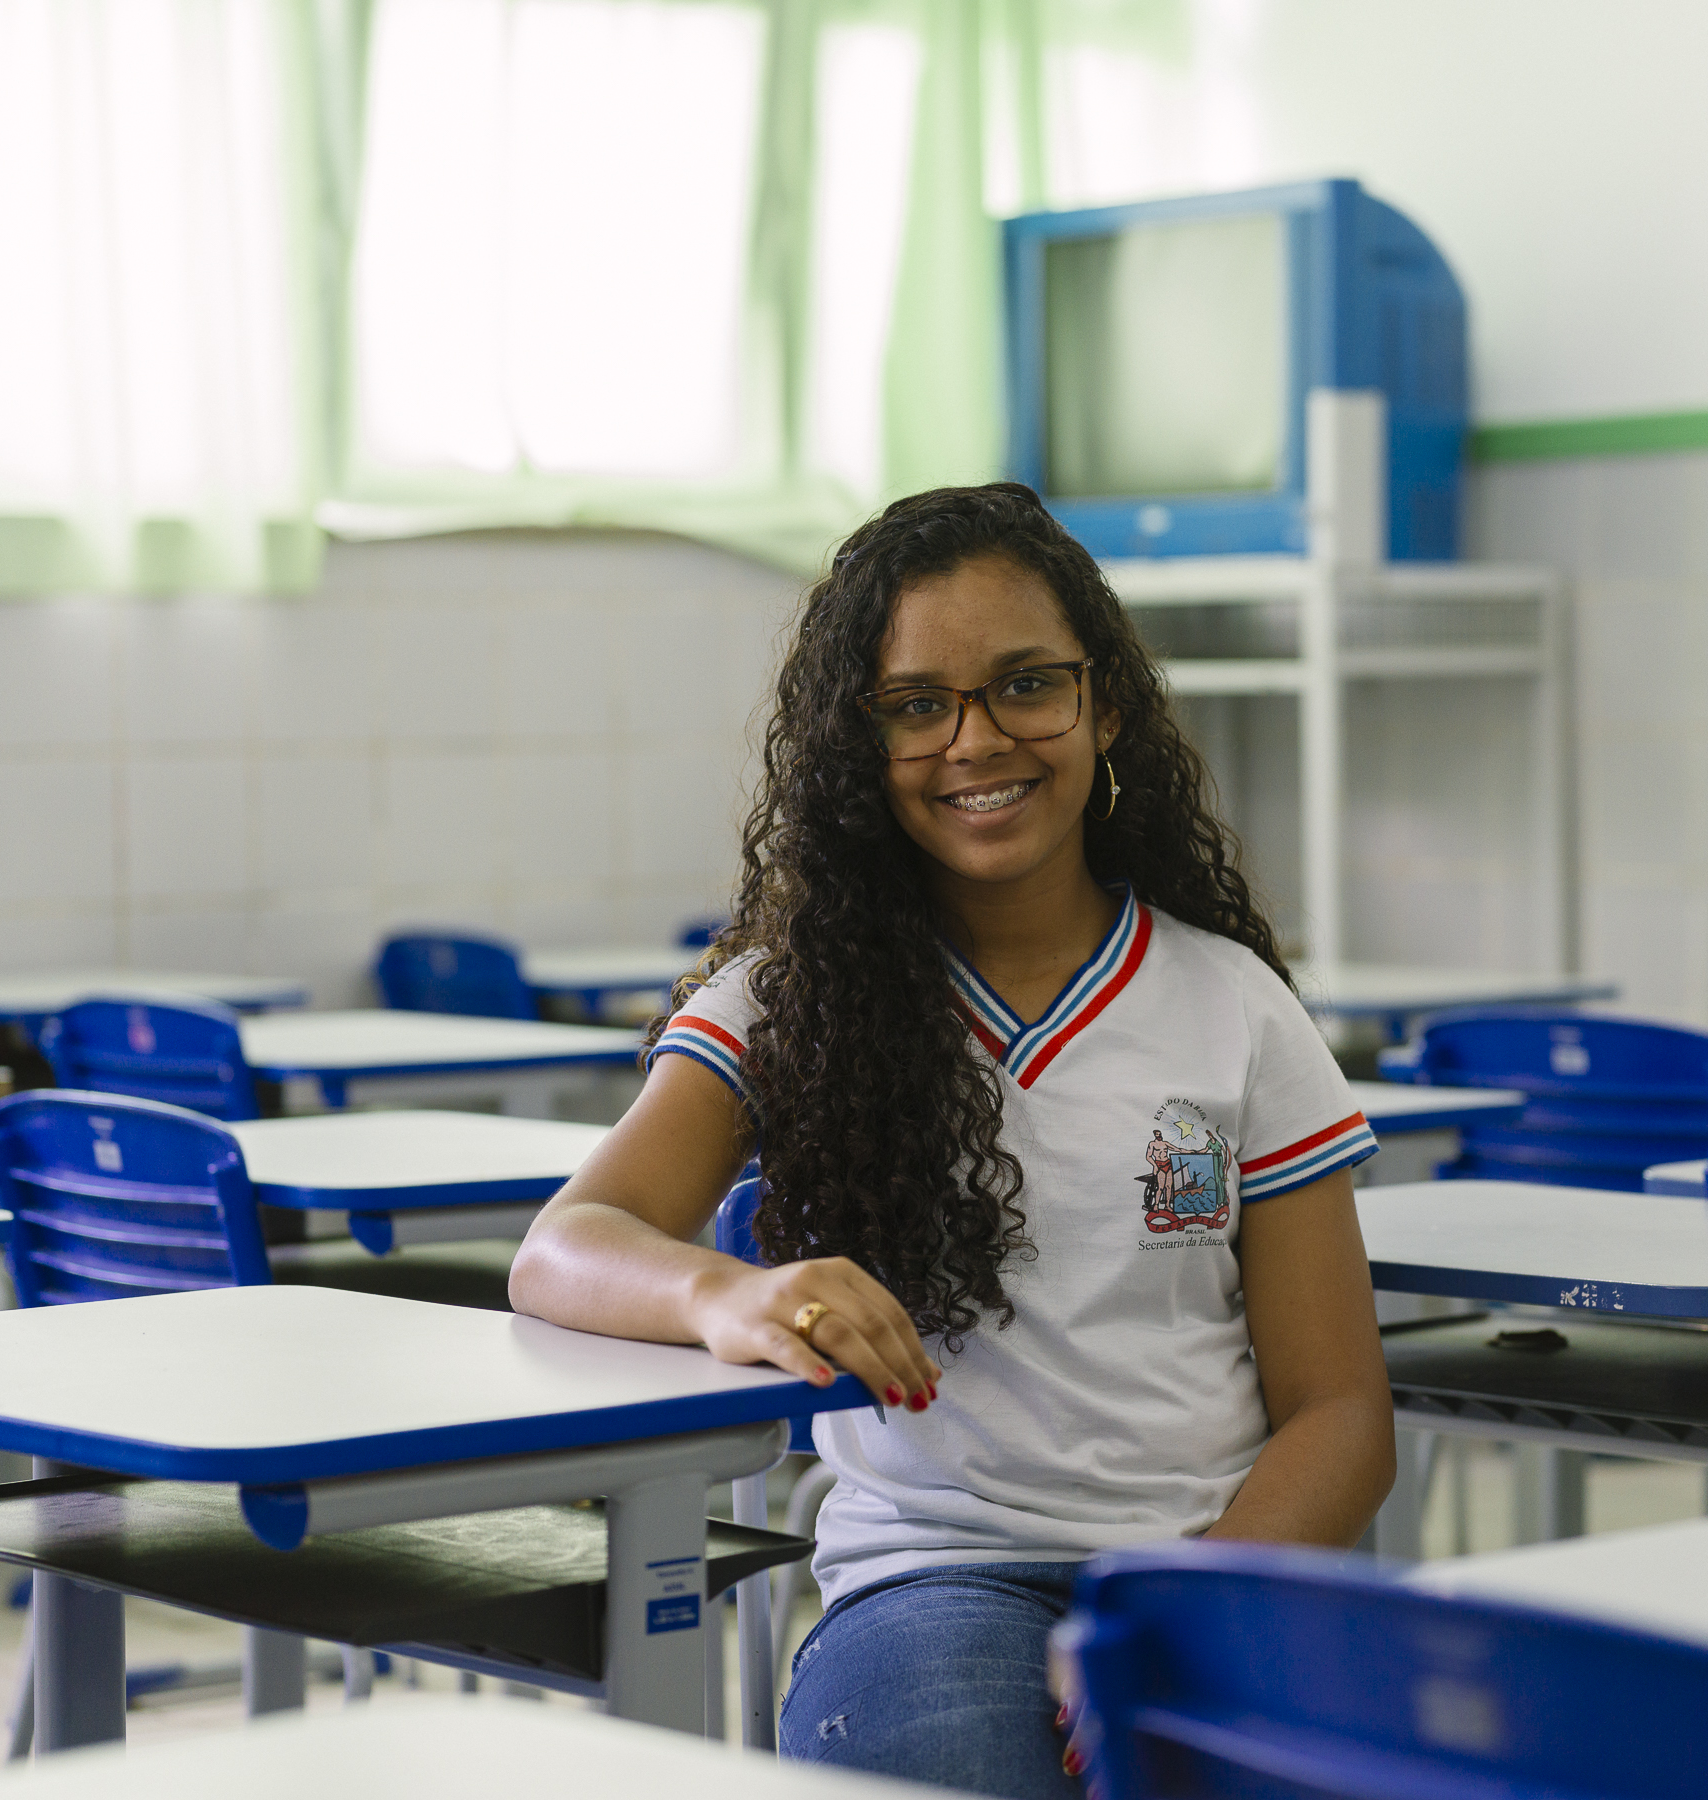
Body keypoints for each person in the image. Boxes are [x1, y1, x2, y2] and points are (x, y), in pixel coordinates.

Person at [509, 482, 1395, 1797]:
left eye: (1024, 685)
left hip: (1212, 1566)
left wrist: (1185, 1615)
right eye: (916, 705)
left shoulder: (1228, 1002)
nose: (974, 740)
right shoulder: (786, 998)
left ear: (1102, 705)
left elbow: (1339, 1410)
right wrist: (728, 1291)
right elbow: (564, 1249)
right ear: (855, 745)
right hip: (934, 1583)